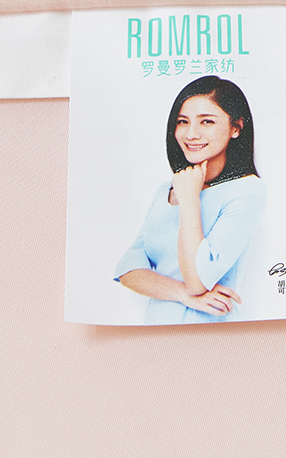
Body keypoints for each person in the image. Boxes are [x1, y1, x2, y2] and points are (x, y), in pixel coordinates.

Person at [114, 76, 267, 324]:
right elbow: (127, 270)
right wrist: (183, 295)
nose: (191, 134)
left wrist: (189, 200)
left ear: (236, 128)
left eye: (207, 121)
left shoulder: (247, 190)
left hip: (212, 328)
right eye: (182, 122)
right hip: (157, 327)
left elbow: (198, 280)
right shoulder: (167, 189)